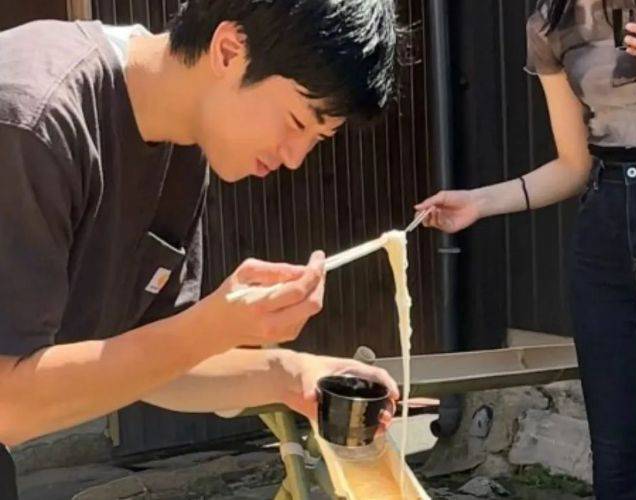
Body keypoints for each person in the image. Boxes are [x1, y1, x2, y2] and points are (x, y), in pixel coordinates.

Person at [0, 0, 400, 494]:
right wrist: (210, 326)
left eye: (318, 139)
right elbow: (7, 404)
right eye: (298, 123)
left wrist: (291, 372)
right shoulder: (33, 119)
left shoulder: (185, 139)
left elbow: (154, 363)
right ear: (229, 50)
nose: (295, 158)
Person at [416, 0, 636, 498]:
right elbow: (573, 164)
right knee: (615, 456)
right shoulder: (551, 24)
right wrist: (478, 202)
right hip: (604, 238)